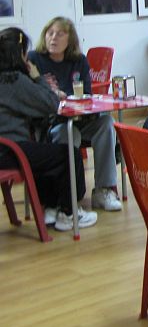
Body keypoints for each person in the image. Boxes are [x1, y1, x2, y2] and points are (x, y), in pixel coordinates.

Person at [0, 27, 97, 231]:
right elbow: (51, 103)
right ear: (18, 55)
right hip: (10, 151)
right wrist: (37, 77)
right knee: (69, 153)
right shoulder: (14, 80)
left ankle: (52, 207)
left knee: (46, 146)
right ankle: (70, 213)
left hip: (7, 148)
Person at [27, 17, 121, 211]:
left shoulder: (78, 61)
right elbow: (30, 95)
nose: (53, 38)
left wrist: (67, 97)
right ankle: (69, 195)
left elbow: (87, 94)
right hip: (52, 123)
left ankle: (104, 189)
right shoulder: (34, 59)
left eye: (60, 33)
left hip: (80, 118)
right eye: (50, 33)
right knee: (70, 134)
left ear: (70, 40)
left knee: (106, 124)